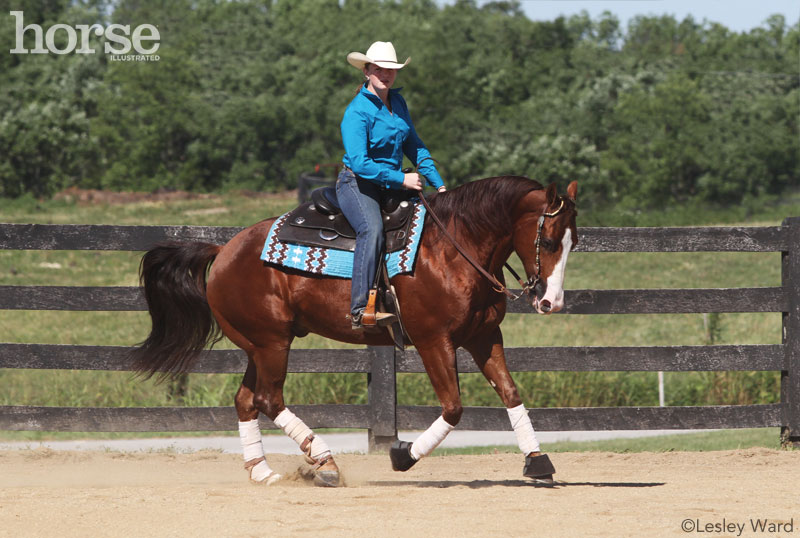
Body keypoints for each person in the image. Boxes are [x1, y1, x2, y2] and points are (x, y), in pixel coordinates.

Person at [338, 41, 446, 330]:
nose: (386, 74)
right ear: (367, 71)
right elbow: (360, 163)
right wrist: (402, 179)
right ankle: (360, 309)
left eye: (391, 70)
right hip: (358, 183)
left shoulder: (397, 103)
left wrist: (440, 186)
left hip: (392, 183)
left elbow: (415, 145)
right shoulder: (357, 112)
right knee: (371, 230)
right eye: (379, 69)